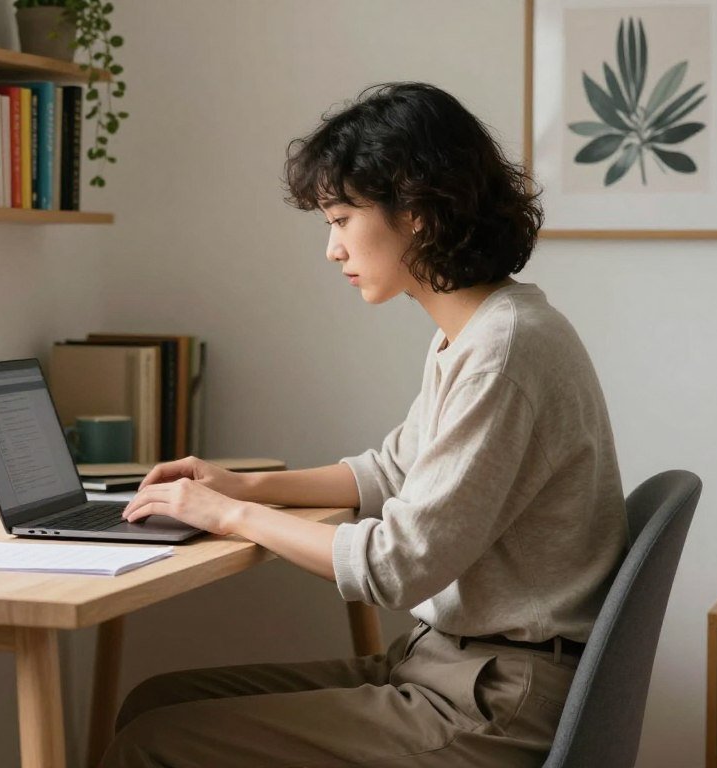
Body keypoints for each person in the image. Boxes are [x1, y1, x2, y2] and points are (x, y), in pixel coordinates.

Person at [100, 82, 628, 768]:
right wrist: (245, 486)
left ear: (414, 210)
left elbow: (395, 565)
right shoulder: (476, 334)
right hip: (443, 666)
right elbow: (391, 472)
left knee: (152, 743)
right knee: (151, 704)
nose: (332, 249)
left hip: (490, 705)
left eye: (342, 219)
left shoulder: (503, 353)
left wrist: (230, 515)